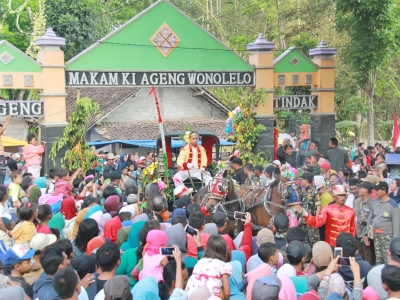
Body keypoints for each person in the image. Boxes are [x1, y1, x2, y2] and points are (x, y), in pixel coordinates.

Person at [363, 181, 400, 264]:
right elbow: (370, 218)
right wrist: (366, 234)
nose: (375, 192)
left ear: (384, 191)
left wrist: (394, 242)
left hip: (387, 236)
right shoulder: (375, 203)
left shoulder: (393, 205)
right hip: (376, 235)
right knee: (378, 259)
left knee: (388, 259)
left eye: (377, 190)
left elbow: (396, 224)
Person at [173, 132, 212, 196]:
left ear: (198, 139)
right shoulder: (185, 148)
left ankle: (207, 193)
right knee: (176, 177)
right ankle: (183, 193)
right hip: (186, 171)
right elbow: (180, 159)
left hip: (198, 171)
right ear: (189, 139)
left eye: (196, 139)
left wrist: (203, 167)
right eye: (193, 139)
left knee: (210, 178)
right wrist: (186, 164)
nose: (195, 140)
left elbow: (204, 159)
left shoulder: (202, 149)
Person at [354, 181, 375, 265]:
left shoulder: (372, 203)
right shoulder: (358, 202)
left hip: (367, 232)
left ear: (365, 190)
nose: (359, 190)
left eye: (361, 188)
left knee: (367, 254)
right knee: (360, 252)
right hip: (359, 231)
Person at [299, 172, 321, 248]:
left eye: (302, 179)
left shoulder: (314, 191)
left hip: (311, 220)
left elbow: (318, 205)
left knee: (313, 241)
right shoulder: (304, 191)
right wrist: (300, 217)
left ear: (306, 180)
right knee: (305, 241)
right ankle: (307, 258)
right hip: (303, 221)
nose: (301, 181)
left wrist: (316, 220)